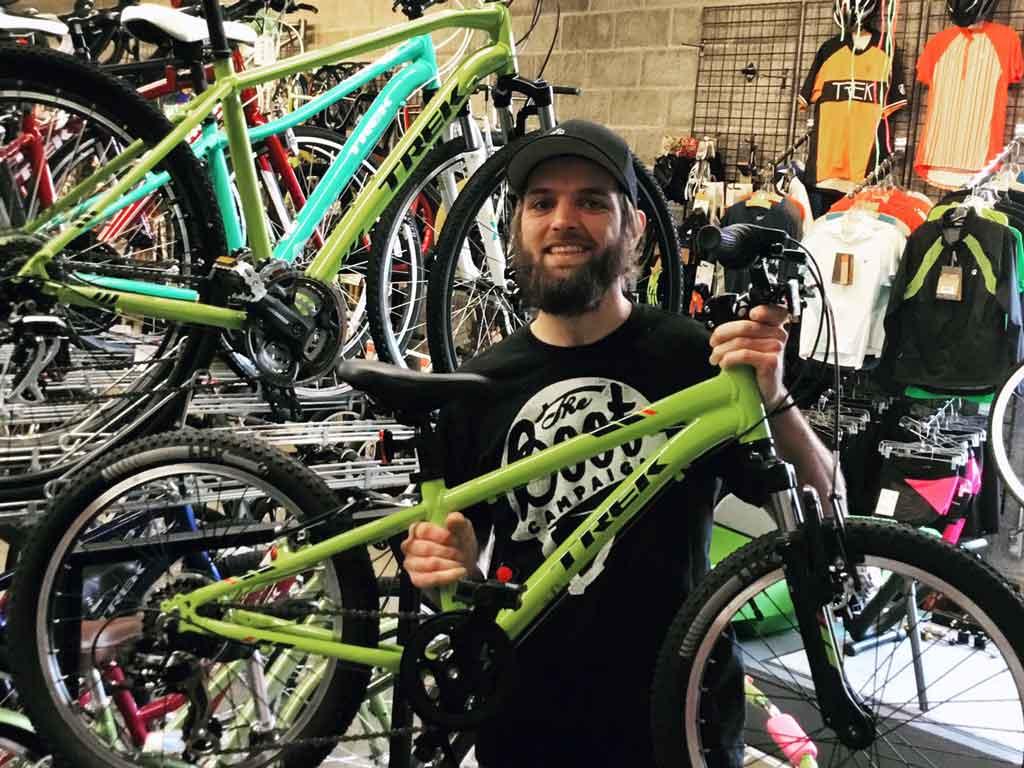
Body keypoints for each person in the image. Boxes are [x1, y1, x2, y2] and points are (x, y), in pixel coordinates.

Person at [400, 120, 844, 767]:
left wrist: (773, 395)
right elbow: (454, 588)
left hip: (679, 716)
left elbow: (825, 506)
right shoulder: (479, 387)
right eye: (542, 202)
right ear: (515, 228)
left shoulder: (699, 361)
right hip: (528, 724)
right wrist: (451, 571)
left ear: (634, 227)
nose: (563, 220)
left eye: (591, 201)